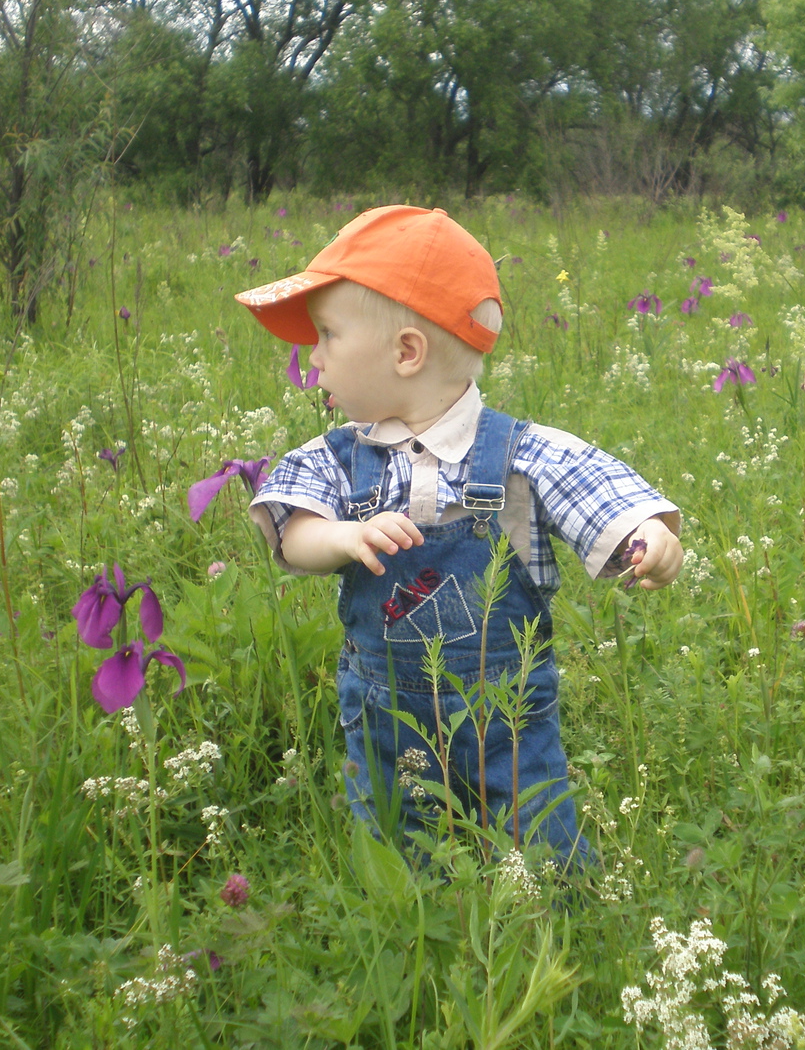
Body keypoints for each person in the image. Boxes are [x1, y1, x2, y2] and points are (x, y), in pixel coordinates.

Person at [237, 205, 682, 863]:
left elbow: (599, 491)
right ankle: (422, 929)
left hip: (507, 708)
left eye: (328, 334)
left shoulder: (520, 453)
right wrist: (340, 537)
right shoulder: (336, 458)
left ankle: (557, 921)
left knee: (540, 837)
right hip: (388, 709)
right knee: (398, 846)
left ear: (406, 352)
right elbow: (292, 532)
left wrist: (647, 533)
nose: (313, 355)